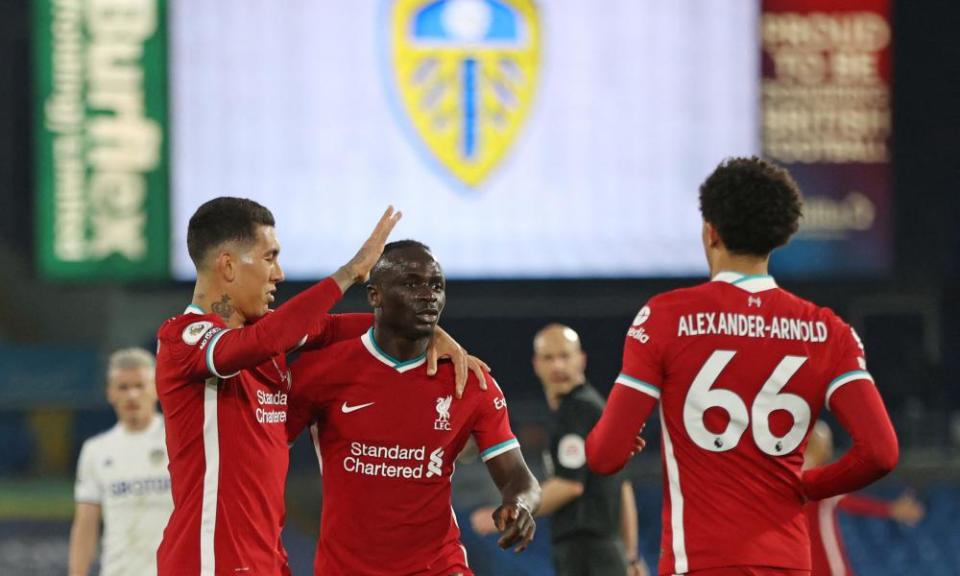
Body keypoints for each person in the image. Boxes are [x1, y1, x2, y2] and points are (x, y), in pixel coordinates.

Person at [585, 157, 899, 576]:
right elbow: (880, 452)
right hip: (787, 561)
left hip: (698, 562)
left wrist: (618, 439)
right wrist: (806, 486)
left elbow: (604, 457)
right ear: (779, 238)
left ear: (710, 232)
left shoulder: (665, 317)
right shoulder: (828, 331)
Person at [155, 199, 483, 576]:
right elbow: (268, 339)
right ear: (228, 264)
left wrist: (424, 330)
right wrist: (350, 273)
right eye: (268, 258)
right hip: (209, 560)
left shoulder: (263, 340)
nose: (278, 273)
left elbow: (325, 328)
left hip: (267, 560)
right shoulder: (185, 339)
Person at [286, 240, 541, 575]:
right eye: (411, 283)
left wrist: (520, 504)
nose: (428, 294)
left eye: (436, 285)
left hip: (438, 567)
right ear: (374, 295)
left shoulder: (471, 382)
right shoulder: (322, 370)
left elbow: (519, 478)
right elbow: (265, 453)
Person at [470, 324, 649, 576]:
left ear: (581, 359)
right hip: (605, 553)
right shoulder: (593, 407)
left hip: (586, 554)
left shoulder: (576, 411)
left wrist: (513, 512)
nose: (557, 366)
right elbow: (623, 485)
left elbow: (569, 484)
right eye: (548, 358)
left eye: (565, 356)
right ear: (536, 364)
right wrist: (629, 556)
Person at [69, 348, 172, 576]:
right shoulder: (95, 450)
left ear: (156, 388)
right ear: (110, 393)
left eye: (139, 386)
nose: (132, 395)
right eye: (123, 388)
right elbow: (86, 524)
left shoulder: (179, 441)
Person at [804, 421, 924, 576]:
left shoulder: (788, 475)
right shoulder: (818, 476)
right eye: (826, 443)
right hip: (826, 565)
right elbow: (852, 503)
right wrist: (890, 510)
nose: (829, 450)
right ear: (812, 444)